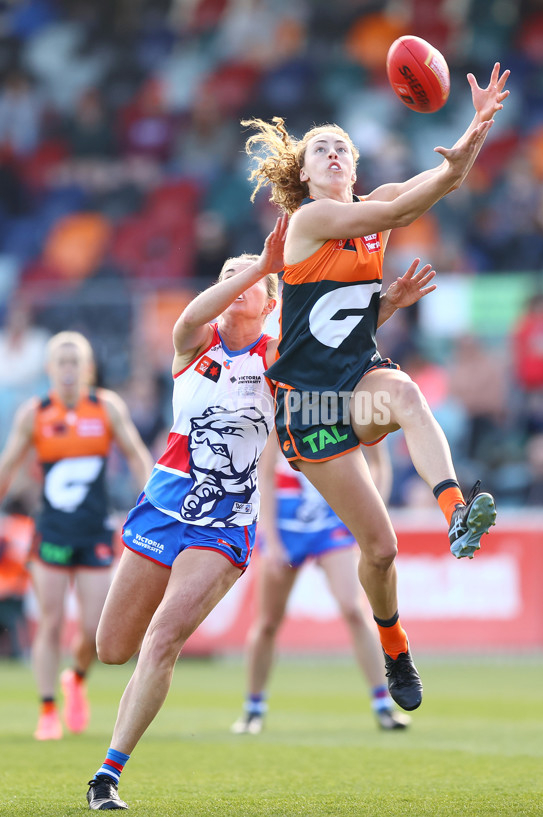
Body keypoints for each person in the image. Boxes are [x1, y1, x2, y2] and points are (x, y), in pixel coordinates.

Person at [242, 62, 509, 713]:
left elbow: (442, 182)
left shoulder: (373, 208)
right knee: (381, 550)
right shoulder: (309, 221)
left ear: (354, 166)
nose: (333, 152)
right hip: (308, 406)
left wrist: (476, 127)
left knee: (408, 395)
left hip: (358, 380)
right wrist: (457, 155)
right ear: (305, 175)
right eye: (320, 148)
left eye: (341, 146)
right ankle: (395, 646)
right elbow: (409, 205)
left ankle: (456, 514)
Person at [84, 218, 287, 811]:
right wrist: (258, 267)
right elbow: (190, 314)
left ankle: (107, 774)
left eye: (246, 279)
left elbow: (337, 353)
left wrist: (387, 308)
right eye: (225, 275)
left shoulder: (277, 355)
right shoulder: (194, 342)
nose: (232, 284)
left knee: (163, 638)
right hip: (163, 506)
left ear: (270, 302)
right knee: (112, 648)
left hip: (224, 521)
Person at [0, 331, 154, 741]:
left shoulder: (105, 407)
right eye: (61, 362)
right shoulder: (36, 413)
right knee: (50, 621)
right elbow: (9, 464)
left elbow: (136, 454)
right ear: (49, 369)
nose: (68, 370)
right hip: (51, 530)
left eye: (75, 362)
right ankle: (48, 709)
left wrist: (151, 500)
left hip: (93, 530)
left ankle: (76, 678)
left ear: (87, 369)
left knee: (93, 629)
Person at [232, 433, 410, 733]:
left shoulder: (352, 406)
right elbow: (266, 473)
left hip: (332, 520)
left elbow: (379, 464)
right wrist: (271, 539)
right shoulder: (283, 410)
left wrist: (368, 519)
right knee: (267, 622)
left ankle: (384, 704)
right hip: (287, 524)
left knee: (353, 609)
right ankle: (253, 709)